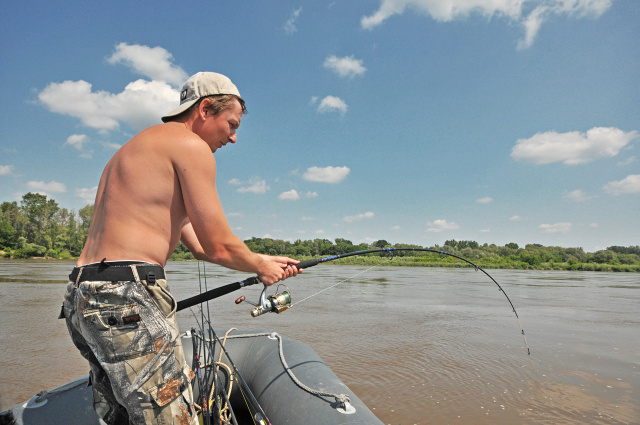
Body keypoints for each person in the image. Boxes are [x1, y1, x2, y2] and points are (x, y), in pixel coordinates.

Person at [61, 72, 300, 425]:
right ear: (205, 109)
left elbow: (202, 246)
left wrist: (263, 260)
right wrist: (261, 268)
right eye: (231, 124)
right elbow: (219, 245)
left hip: (82, 295)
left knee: (122, 416)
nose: (233, 138)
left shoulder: (133, 150)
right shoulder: (190, 147)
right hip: (127, 295)